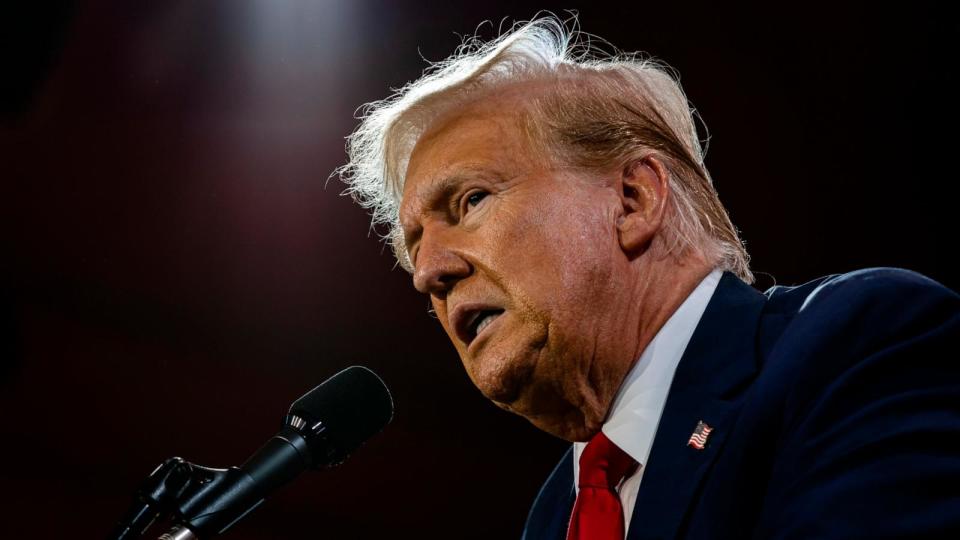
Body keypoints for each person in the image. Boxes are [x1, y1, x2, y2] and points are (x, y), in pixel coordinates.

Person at [337, 15, 960, 540]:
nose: (428, 274)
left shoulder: (853, 345)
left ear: (633, 200)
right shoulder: (554, 516)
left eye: (471, 201)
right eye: (414, 247)